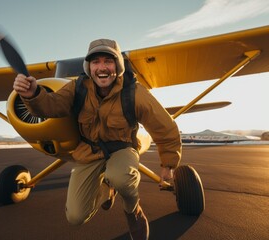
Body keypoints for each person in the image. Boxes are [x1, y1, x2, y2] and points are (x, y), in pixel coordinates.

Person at [13, 39, 182, 240]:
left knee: (121, 178)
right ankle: (107, 191)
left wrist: (169, 164)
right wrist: (32, 94)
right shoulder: (77, 88)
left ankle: (133, 211)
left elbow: (165, 126)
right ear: (89, 67)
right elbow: (52, 105)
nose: (102, 67)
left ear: (117, 65)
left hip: (122, 148)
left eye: (108, 61)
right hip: (88, 151)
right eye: (95, 62)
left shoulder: (134, 92)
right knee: (75, 217)